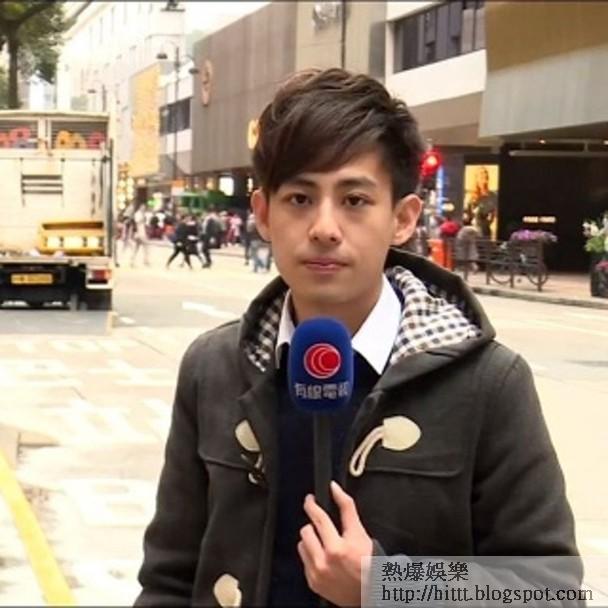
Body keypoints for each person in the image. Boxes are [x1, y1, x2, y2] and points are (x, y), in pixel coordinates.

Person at [136, 69, 581, 607]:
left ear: (403, 218)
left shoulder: (488, 382)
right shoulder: (213, 368)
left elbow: (549, 589)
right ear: (263, 214)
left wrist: (387, 585)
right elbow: (168, 579)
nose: (324, 227)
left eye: (354, 200)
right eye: (300, 198)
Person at [466, 165, 498, 239]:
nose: (484, 177)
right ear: (476, 178)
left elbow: (495, 215)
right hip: (474, 230)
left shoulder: (493, 196)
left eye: (485, 175)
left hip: (487, 230)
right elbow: (468, 216)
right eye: (481, 175)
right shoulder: (471, 197)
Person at [130, 203, 150, 267]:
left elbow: (144, 224)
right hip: (139, 233)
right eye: (143, 208)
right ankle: (145, 261)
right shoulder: (137, 214)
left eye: (144, 208)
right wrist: (143, 218)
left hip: (141, 233)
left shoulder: (142, 214)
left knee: (137, 248)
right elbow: (137, 222)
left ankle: (132, 261)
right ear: (140, 207)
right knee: (145, 247)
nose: (144, 209)